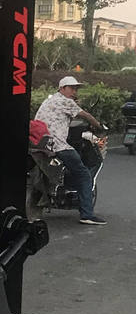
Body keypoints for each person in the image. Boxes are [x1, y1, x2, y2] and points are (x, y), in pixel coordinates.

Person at [34, 76, 106, 225]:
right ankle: (87, 215)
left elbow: (62, 118)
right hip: (58, 145)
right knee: (84, 175)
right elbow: (86, 116)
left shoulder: (49, 100)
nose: (74, 92)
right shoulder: (65, 101)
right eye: (72, 88)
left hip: (41, 144)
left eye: (76, 89)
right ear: (62, 88)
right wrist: (99, 126)